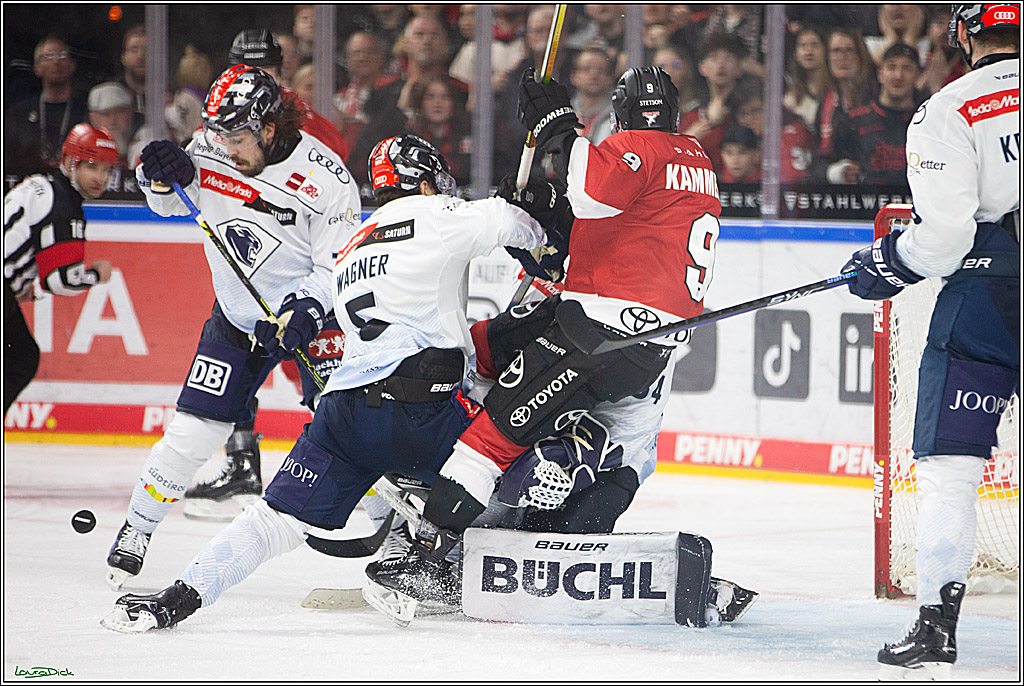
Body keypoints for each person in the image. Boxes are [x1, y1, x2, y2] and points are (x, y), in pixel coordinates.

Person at [99, 134, 549, 632]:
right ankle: (448, 561)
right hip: (425, 410)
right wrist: (530, 207)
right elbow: (521, 228)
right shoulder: (439, 213)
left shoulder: (357, 240)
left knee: (273, 521)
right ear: (424, 183)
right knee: (517, 442)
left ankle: (177, 598)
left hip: (343, 414)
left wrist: (299, 319)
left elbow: (320, 303)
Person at [363, 65, 723, 623]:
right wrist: (544, 205)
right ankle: (554, 512)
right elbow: (599, 225)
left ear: (621, 117)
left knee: (490, 436)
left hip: (598, 331)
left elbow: (589, 193)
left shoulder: (635, 152)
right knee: (609, 451)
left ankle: (428, 559)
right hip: (647, 347)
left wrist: (560, 128)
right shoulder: (693, 161)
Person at [104, 64, 361, 591]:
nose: (224, 145)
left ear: (268, 128)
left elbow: (337, 267)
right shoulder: (212, 147)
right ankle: (137, 527)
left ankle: (394, 529)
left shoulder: (326, 177)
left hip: (312, 320)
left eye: (237, 135)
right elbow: (171, 202)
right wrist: (156, 177)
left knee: (349, 426)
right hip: (238, 317)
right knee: (192, 432)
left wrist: (302, 311)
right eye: (216, 132)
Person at [840, 5, 1018, 679]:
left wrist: (889, 262)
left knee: (951, 471)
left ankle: (937, 627)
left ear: (963, 33)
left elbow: (943, 239)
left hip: (989, 295)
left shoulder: (949, 109)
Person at [178, 29, 353, 522]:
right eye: (243, 64)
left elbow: (336, 202)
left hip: (311, 274)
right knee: (235, 362)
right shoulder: (223, 127)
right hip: (256, 264)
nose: (258, 74)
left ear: (282, 67)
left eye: (267, 66)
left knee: (325, 383)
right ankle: (241, 463)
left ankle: (349, 471)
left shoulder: (310, 128)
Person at [4, 124, 117, 415]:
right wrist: (96, 274)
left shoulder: (40, 184)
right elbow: (62, 279)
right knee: (21, 359)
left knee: (20, 357)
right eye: (92, 166)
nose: (100, 178)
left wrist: (22, 285)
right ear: (69, 163)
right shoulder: (63, 202)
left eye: (106, 169)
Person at [825, 43, 922, 186]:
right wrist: (837, 172)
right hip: (866, 205)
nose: (898, 76)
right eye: (891, 67)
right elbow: (819, 165)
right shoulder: (853, 121)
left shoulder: (927, 122)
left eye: (907, 68)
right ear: (880, 74)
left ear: (917, 75)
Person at [4, 35, 88, 179]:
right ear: (36, 68)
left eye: (62, 55)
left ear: (72, 65)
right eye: (48, 56)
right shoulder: (19, 113)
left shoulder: (84, 111)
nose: (56, 61)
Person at [569, 48, 616, 145]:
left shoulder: (619, 116)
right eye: (586, 69)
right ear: (573, 76)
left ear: (610, 77)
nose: (594, 75)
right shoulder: (563, 115)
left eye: (601, 70)